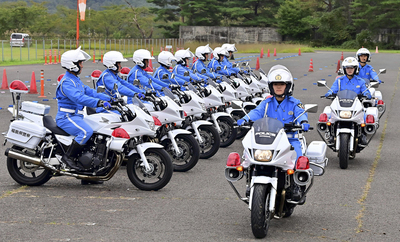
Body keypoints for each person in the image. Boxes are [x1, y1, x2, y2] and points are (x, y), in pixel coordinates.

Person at [237, 65, 310, 201]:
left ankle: (296, 185)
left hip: (290, 140)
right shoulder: (266, 103)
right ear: (271, 86)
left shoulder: (295, 103)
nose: (278, 87)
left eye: (281, 84)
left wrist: (304, 121)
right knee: (249, 155)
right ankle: (250, 181)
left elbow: (300, 114)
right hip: (270, 138)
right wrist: (245, 118)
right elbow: (256, 112)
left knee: (298, 158)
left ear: (288, 86)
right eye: (275, 84)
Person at [56, 47, 112, 172]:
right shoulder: (66, 83)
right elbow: (79, 98)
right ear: (72, 65)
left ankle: (90, 168)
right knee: (86, 132)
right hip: (66, 117)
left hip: (77, 116)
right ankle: (68, 157)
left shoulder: (75, 80)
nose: (82, 65)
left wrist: (110, 98)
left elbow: (91, 92)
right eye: (80, 63)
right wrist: (99, 103)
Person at [324, 56, 372, 146]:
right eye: (347, 68)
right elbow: (331, 90)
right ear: (344, 69)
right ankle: (330, 134)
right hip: (341, 104)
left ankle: (363, 135)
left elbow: (366, 92)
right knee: (329, 115)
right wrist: (328, 94)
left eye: (352, 68)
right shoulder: (339, 81)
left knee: (364, 115)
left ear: (355, 69)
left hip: (355, 105)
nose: (349, 70)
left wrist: (367, 95)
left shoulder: (360, 81)